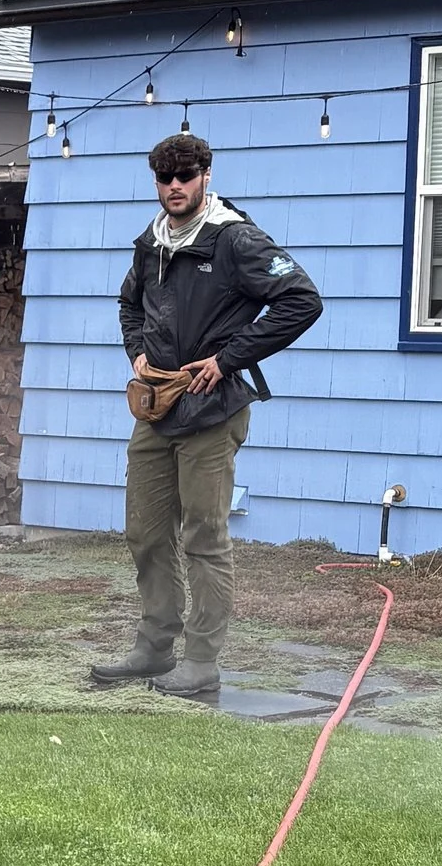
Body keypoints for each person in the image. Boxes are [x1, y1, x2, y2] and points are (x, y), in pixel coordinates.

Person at [87, 130, 322, 700]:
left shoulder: (235, 239)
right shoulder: (152, 241)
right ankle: (154, 646)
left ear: (205, 176)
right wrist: (136, 350)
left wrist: (230, 357)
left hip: (213, 409)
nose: (174, 186)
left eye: (184, 176)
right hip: (157, 404)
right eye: (164, 178)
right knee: (144, 530)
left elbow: (301, 300)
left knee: (204, 536)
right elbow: (128, 302)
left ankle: (201, 660)